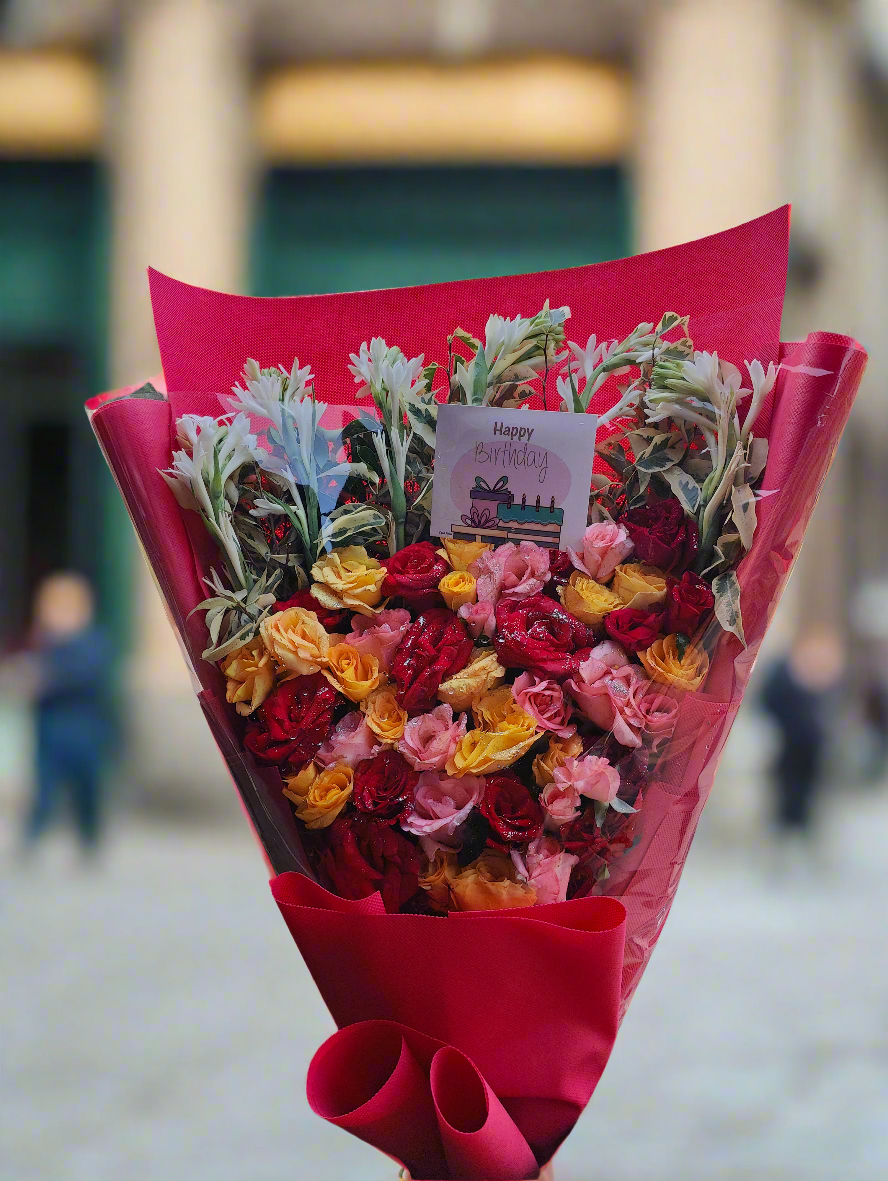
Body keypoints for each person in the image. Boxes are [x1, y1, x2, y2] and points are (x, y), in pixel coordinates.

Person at [21, 572, 113, 853]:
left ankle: (89, 838)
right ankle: (33, 836)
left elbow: (87, 676)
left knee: (87, 790)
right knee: (45, 787)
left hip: (85, 730)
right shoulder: (42, 642)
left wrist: (44, 678)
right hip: (50, 730)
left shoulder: (93, 643)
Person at [760, 625, 843, 843]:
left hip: (811, 745)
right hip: (789, 741)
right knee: (787, 786)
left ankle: (800, 827)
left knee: (806, 788)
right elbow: (770, 701)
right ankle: (786, 827)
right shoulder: (784, 672)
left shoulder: (821, 675)